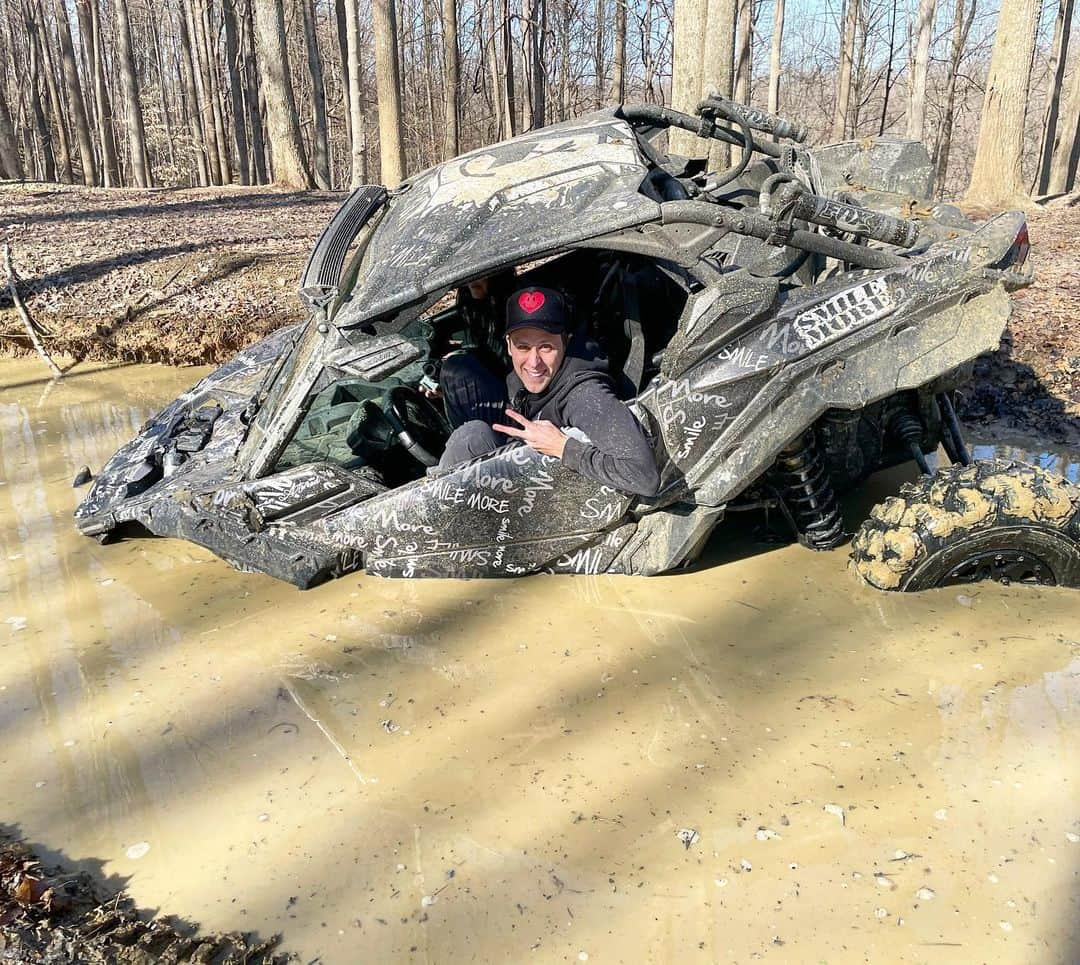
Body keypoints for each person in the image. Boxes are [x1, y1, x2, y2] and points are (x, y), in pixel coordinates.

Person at [437, 286, 662, 497]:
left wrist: (563, 447)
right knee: (471, 431)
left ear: (566, 342)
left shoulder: (584, 395)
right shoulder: (521, 381)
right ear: (508, 345)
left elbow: (644, 476)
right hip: (525, 472)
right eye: (523, 347)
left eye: (546, 347)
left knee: (468, 439)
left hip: (555, 502)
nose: (534, 362)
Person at [423, 271, 516, 429]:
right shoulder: (473, 310)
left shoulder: (514, 307)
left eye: (480, 273)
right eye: (466, 275)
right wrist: (452, 391)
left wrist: (458, 372)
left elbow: (510, 368)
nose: (472, 280)